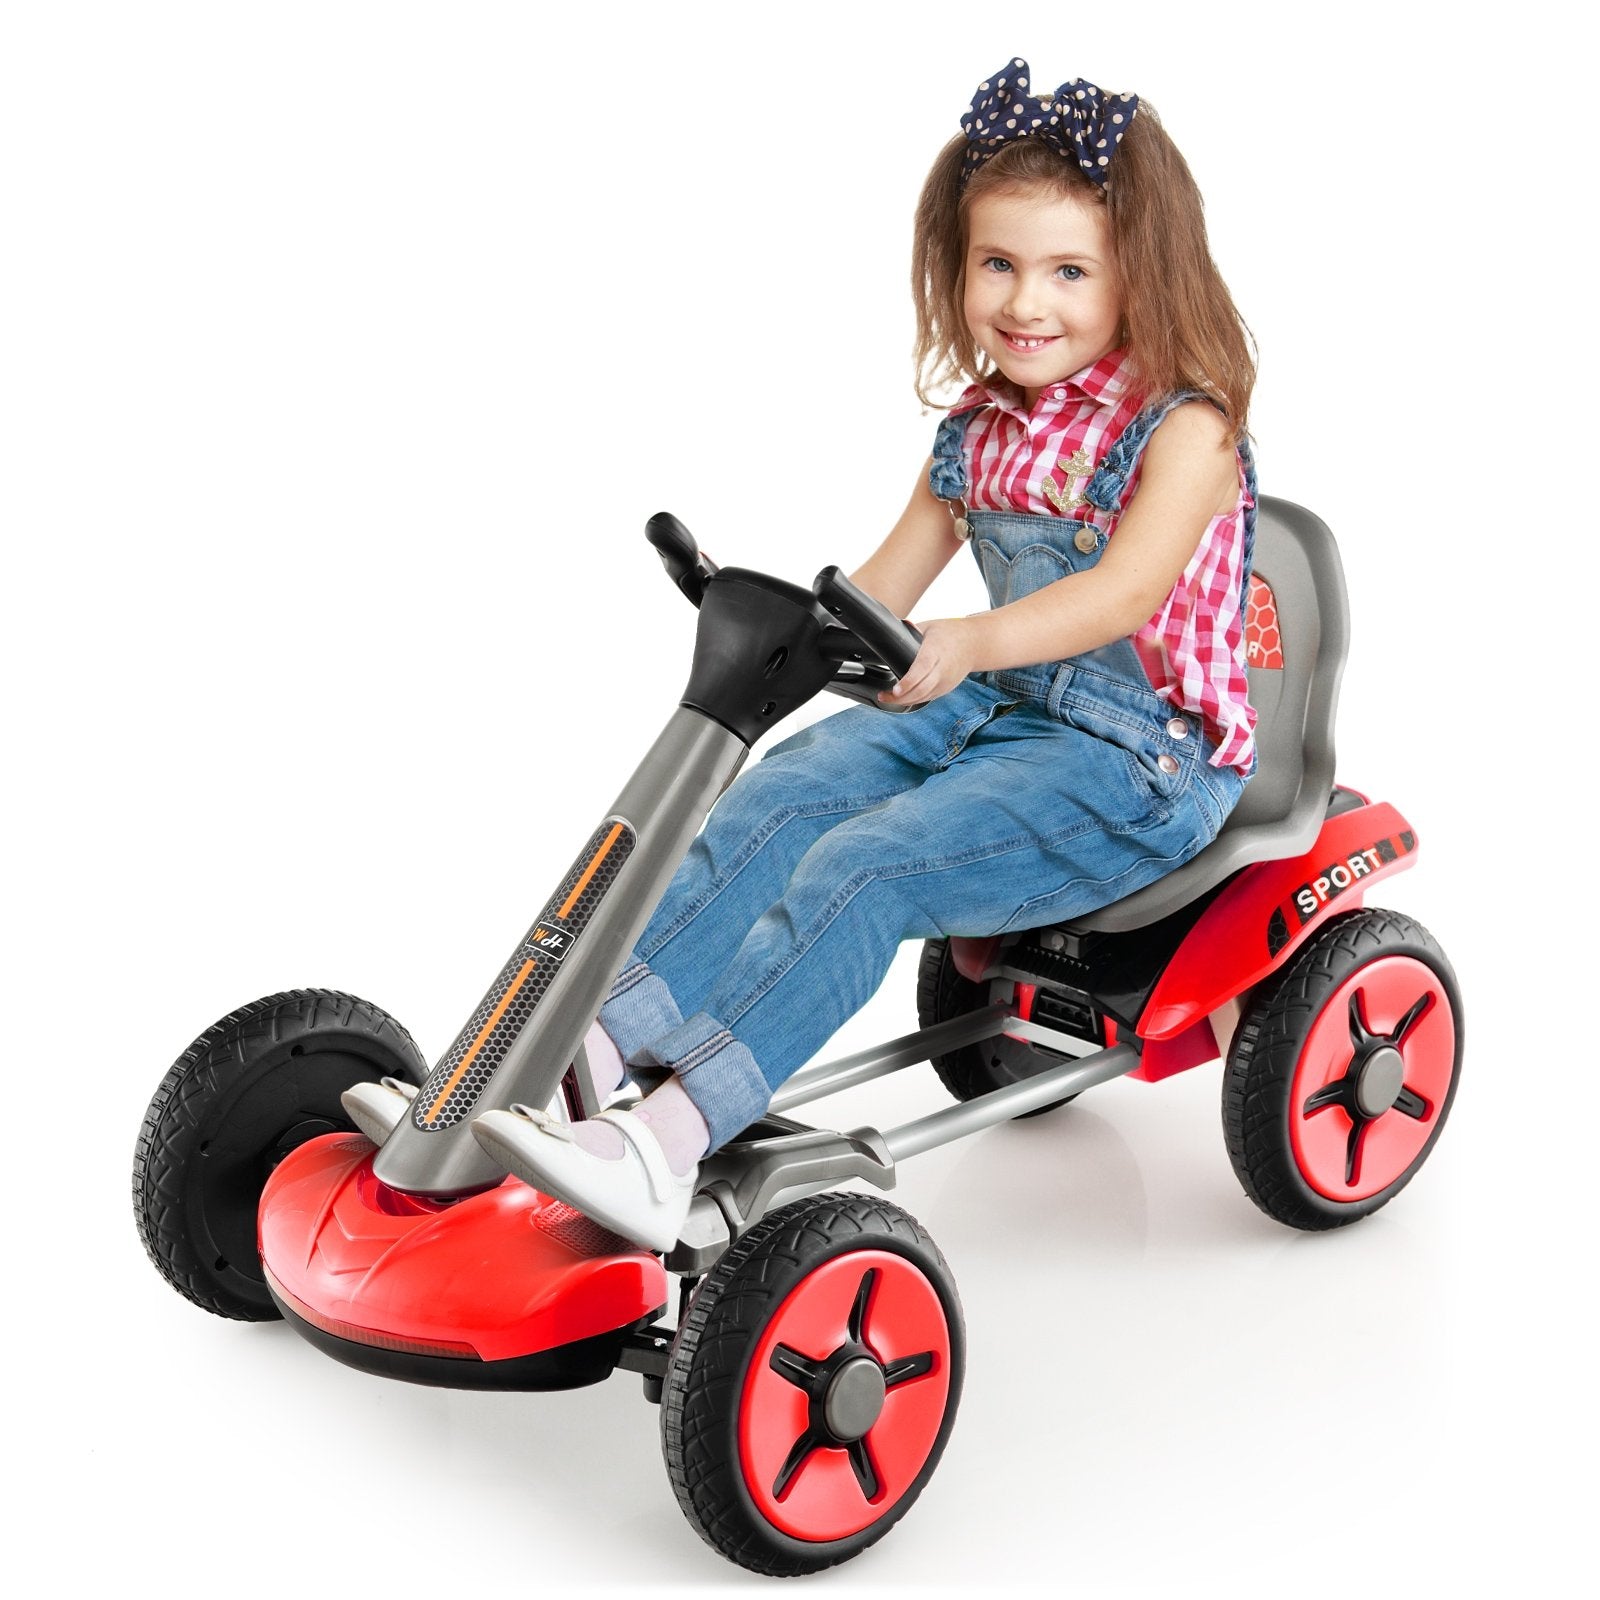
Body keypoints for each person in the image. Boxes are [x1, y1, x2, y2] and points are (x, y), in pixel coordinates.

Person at [475, 58, 1260, 1250]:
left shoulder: (1185, 427)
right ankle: (589, 1049)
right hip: (991, 709)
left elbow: (1121, 591)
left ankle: (667, 1140)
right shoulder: (978, 429)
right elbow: (887, 583)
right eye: (997, 264)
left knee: (869, 865)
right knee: (784, 794)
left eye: (1066, 271)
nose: (1024, 302)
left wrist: (969, 640)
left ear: (1134, 276)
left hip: (1136, 760)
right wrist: (787, 631)